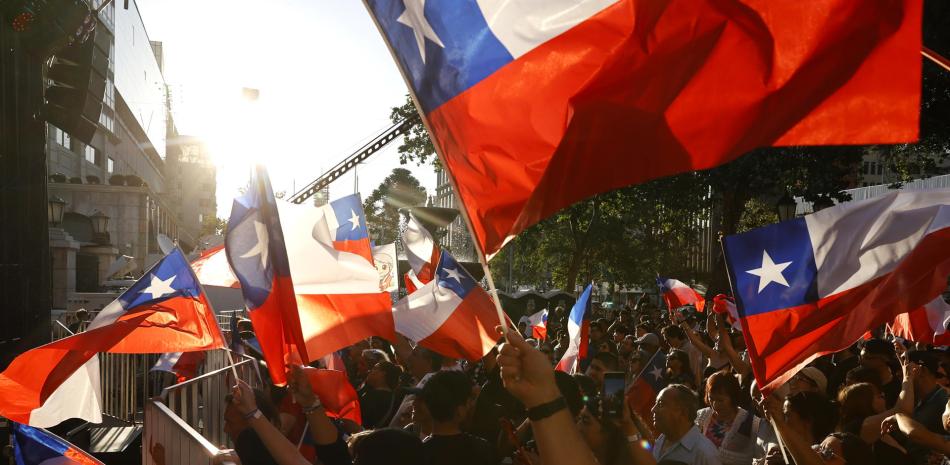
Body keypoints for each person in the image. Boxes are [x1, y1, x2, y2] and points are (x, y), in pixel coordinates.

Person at [420, 370, 498, 465]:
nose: (472, 406)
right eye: (469, 402)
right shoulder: (481, 450)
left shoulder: (418, 453)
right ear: (460, 411)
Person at [696, 371, 760, 465]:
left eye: (720, 400)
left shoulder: (750, 422)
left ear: (733, 397)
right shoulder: (702, 416)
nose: (715, 405)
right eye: (711, 398)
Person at [652, 384, 722, 464]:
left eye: (660, 404)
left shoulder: (705, 453)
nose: (653, 409)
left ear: (682, 412)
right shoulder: (661, 440)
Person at [908, 350, 950, 464]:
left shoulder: (943, 402)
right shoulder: (919, 398)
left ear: (922, 370)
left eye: (905, 368)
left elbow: (912, 433)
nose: (899, 373)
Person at [359, 360, 401, 428]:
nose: (370, 371)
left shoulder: (374, 396)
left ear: (383, 374)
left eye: (375, 368)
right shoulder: (393, 397)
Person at [861, 339, 902, 407]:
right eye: (861, 358)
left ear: (884, 358)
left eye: (867, 357)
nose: (861, 362)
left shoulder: (898, 387)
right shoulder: (862, 382)